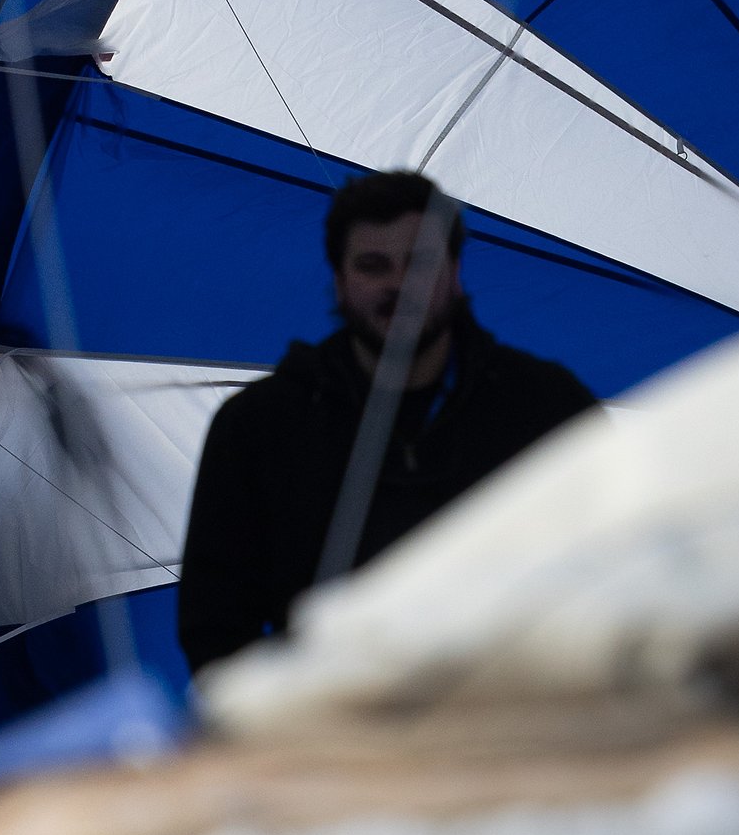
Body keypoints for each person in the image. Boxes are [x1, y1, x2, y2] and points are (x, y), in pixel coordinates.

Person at [177, 168, 594, 677]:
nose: (398, 285)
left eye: (419, 264)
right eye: (374, 266)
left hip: (522, 723)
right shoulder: (258, 429)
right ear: (339, 280)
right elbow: (216, 634)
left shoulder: (545, 405)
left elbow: (619, 569)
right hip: (340, 737)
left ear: (455, 271)